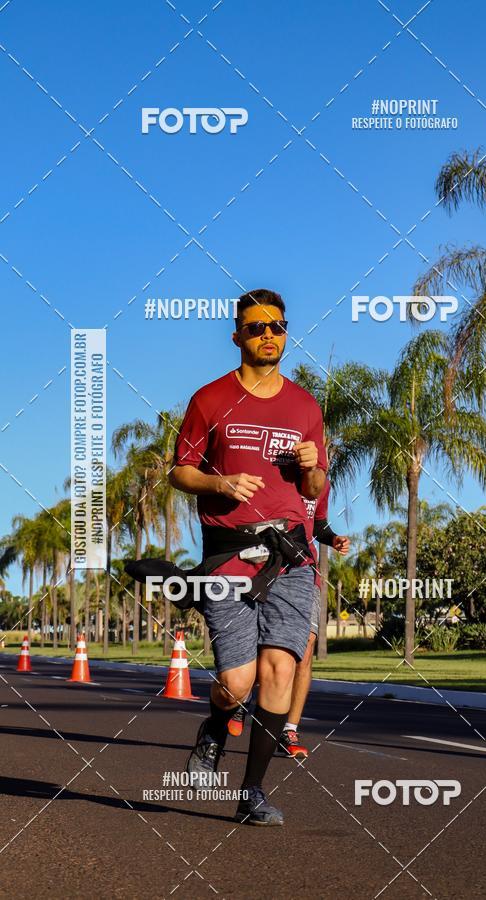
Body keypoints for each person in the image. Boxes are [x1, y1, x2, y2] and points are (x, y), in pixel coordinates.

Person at [168, 288, 327, 827]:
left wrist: (311, 466)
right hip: (230, 553)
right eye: (256, 327)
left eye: (277, 327)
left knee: (280, 667)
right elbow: (179, 471)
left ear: (286, 333)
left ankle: (252, 791)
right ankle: (215, 727)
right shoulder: (210, 399)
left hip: (290, 556)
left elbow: (317, 483)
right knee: (237, 682)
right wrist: (220, 481)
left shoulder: (305, 406)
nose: (268, 336)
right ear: (236, 335)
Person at [227, 481, 351, 759]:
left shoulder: (322, 484)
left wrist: (334, 539)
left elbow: (318, 525)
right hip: (262, 570)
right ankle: (241, 700)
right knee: (266, 648)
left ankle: (289, 729)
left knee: (304, 650)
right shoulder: (270, 473)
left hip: (304, 573)